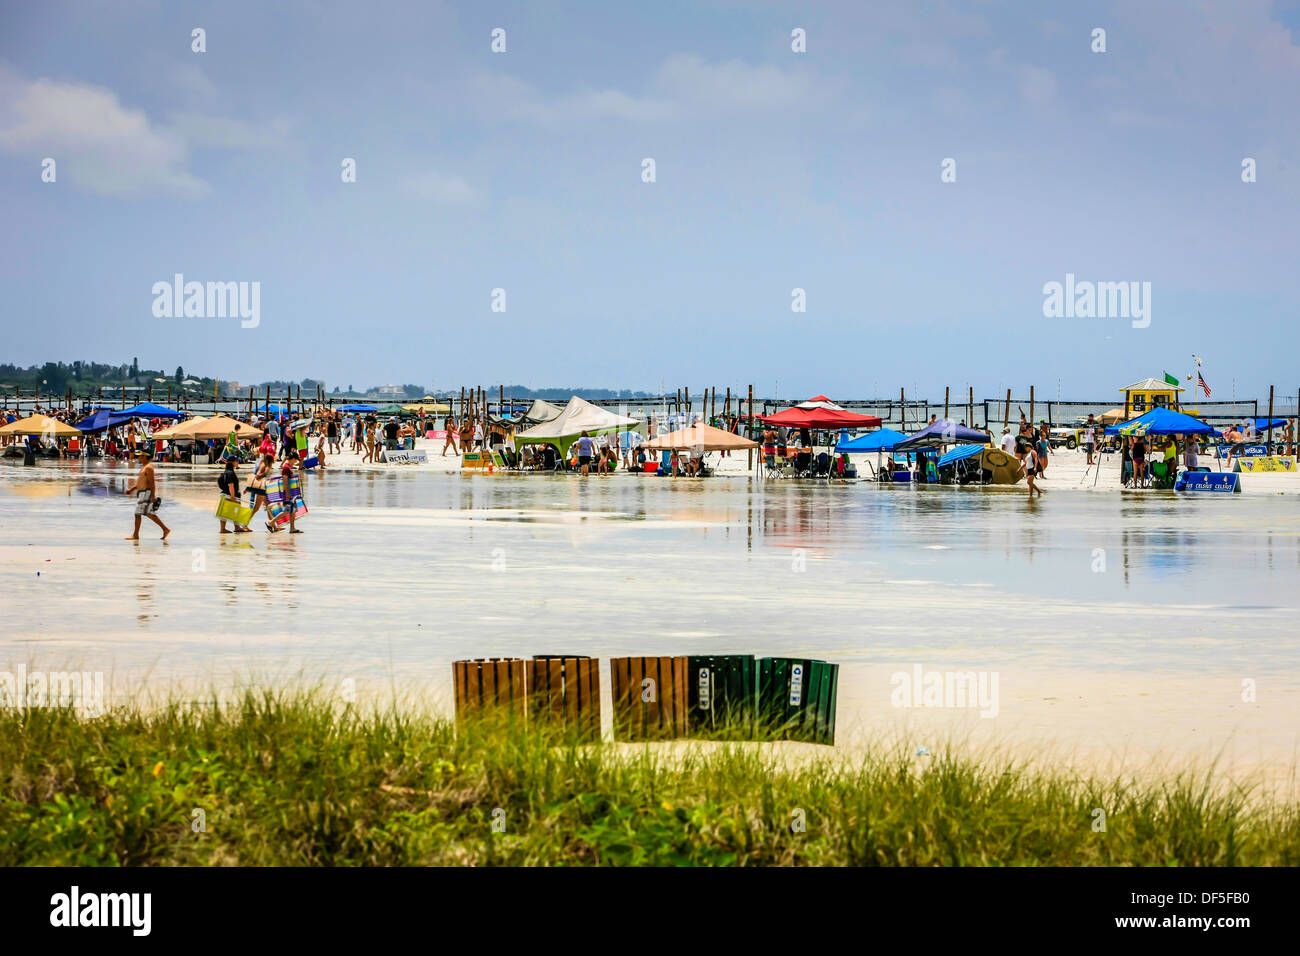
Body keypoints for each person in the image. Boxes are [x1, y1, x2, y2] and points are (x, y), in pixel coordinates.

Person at [124, 450, 171, 540]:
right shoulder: (144, 467)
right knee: (147, 513)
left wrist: (153, 496)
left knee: (139, 513)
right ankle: (165, 529)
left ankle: (136, 535)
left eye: (141, 456)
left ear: (145, 457)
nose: (139, 458)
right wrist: (131, 490)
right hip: (142, 493)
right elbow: (141, 482)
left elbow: (152, 483)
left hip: (146, 493)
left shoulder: (149, 468)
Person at [217, 457, 251, 533]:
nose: (238, 462)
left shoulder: (227, 471)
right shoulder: (230, 472)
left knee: (225, 512)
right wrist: (233, 497)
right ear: (232, 462)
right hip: (231, 495)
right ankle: (232, 528)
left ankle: (232, 527)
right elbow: (231, 485)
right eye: (236, 461)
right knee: (235, 511)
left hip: (226, 494)